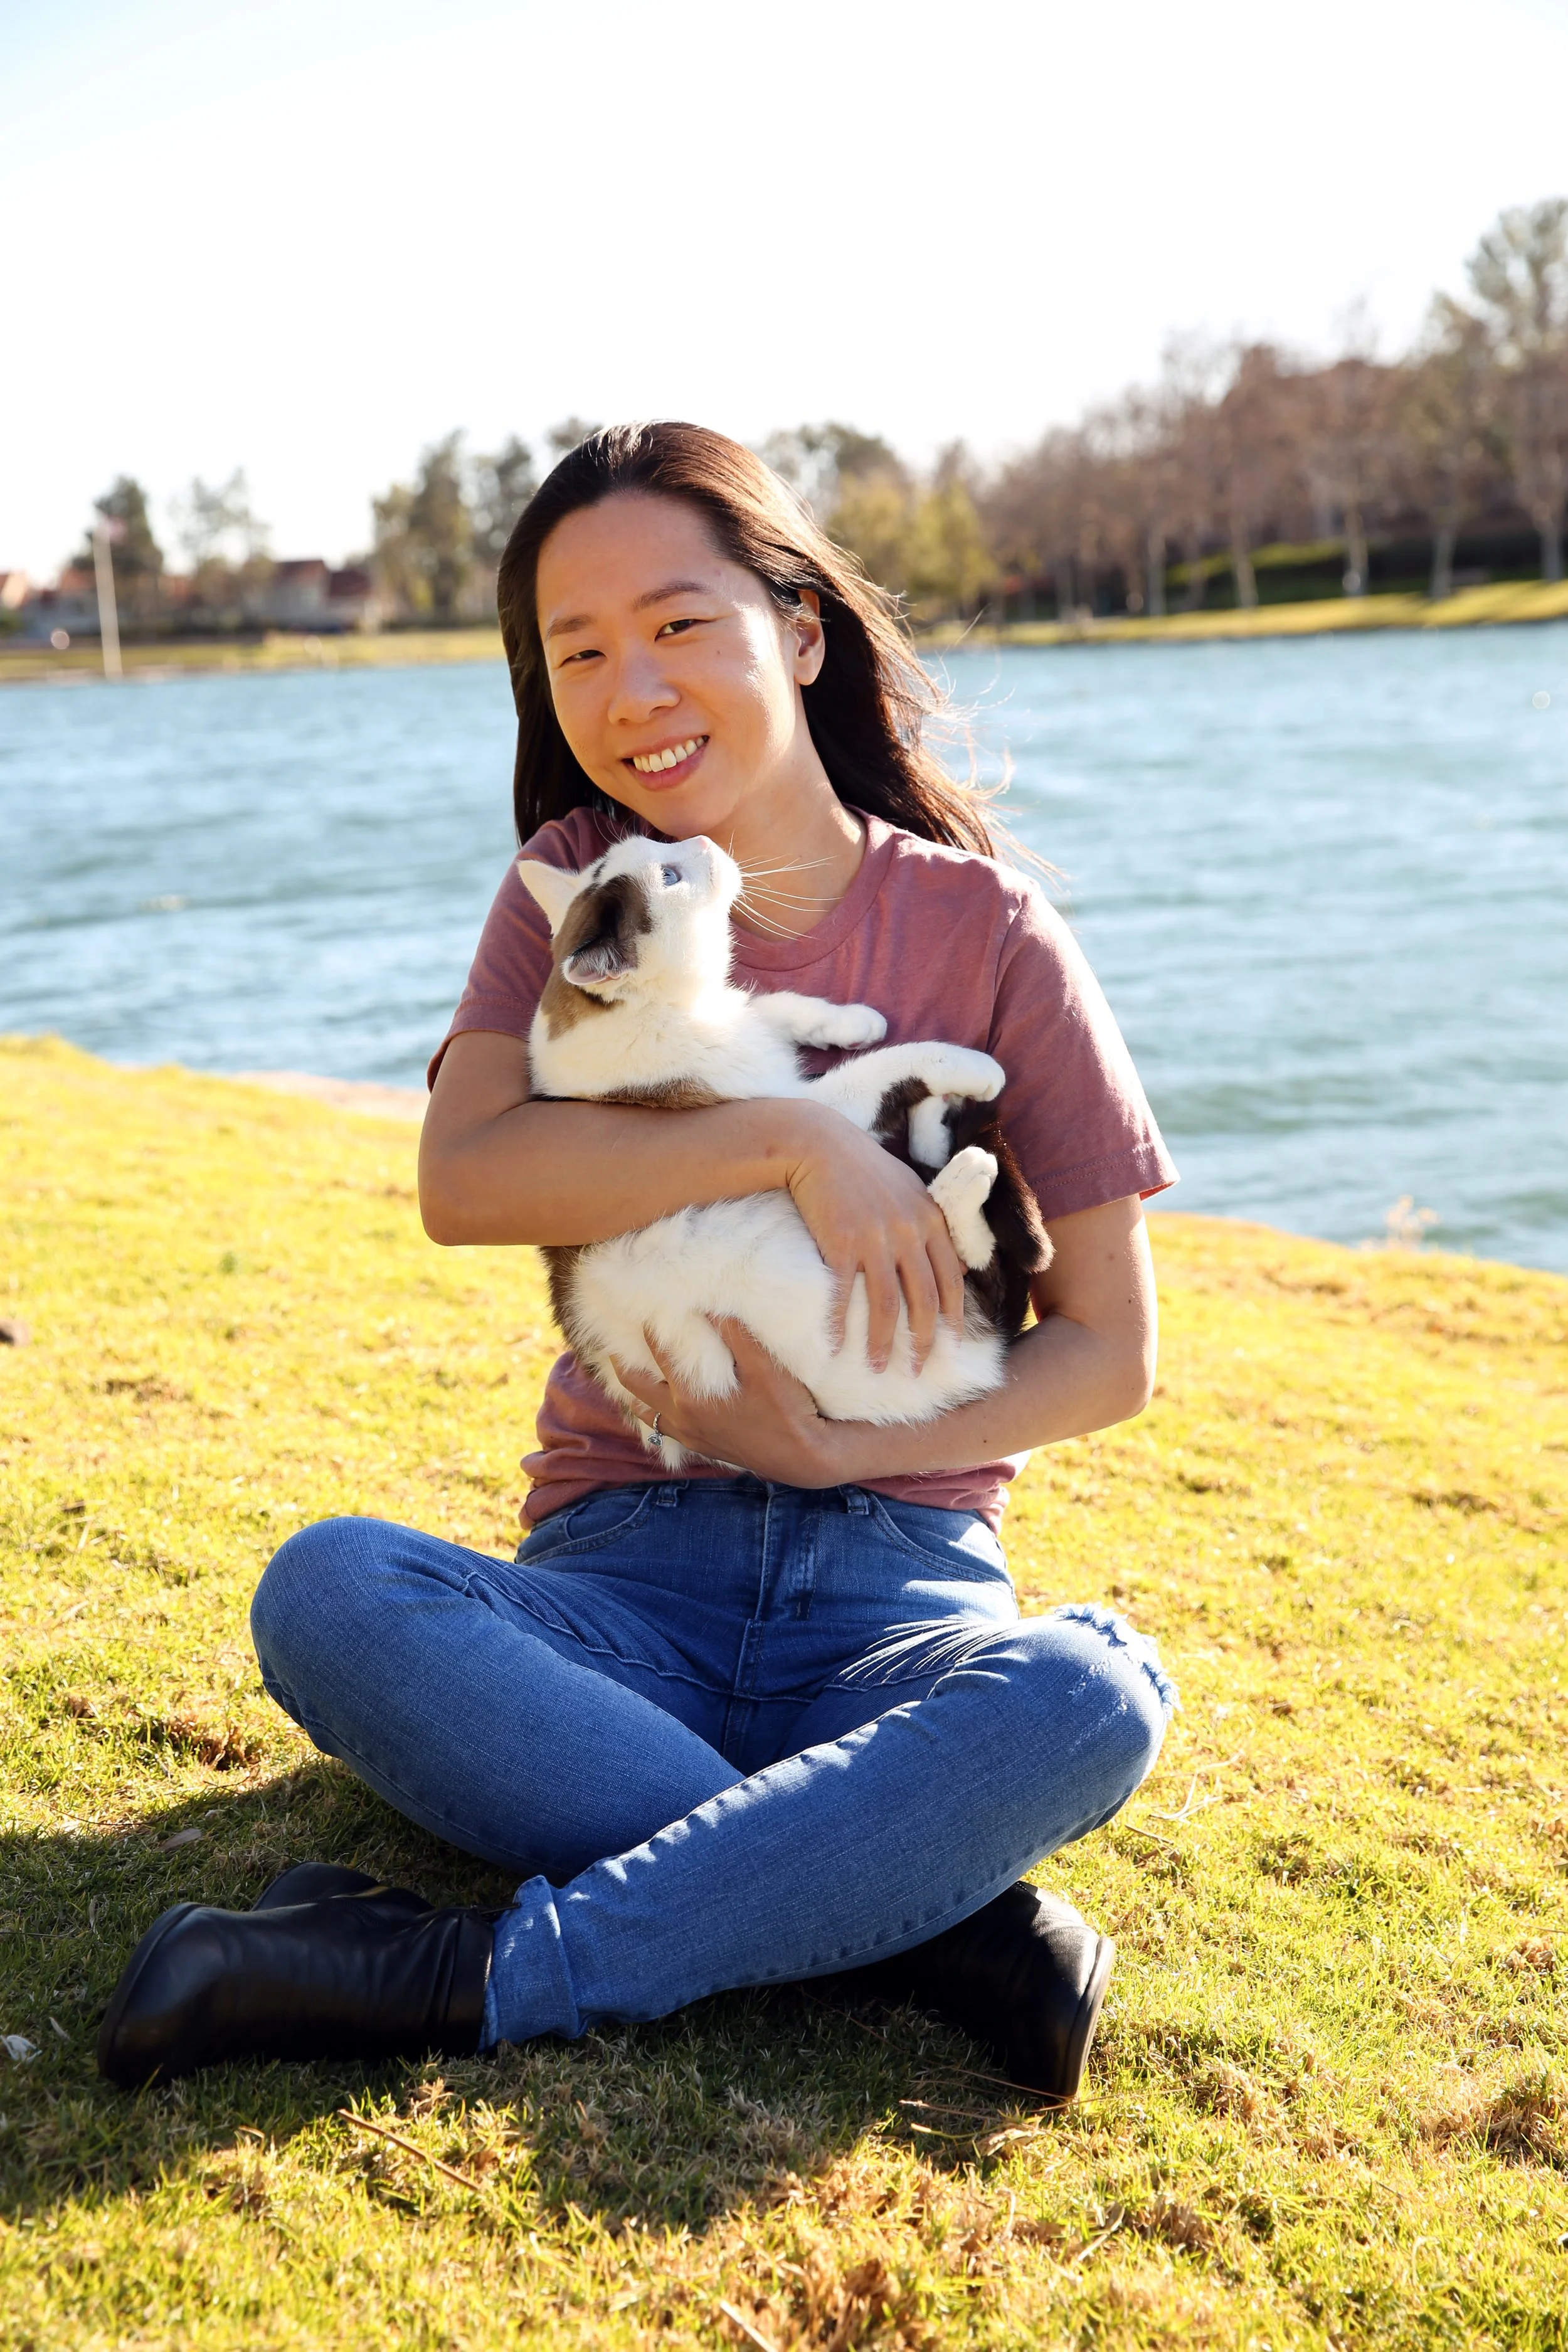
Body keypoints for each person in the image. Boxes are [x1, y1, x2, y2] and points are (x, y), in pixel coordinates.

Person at [98, 423, 1179, 2099]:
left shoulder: (992, 933)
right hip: (612, 1595)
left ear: (796, 633)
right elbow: (467, 1179)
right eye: (576, 650)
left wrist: (831, 1451)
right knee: (329, 1588)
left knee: (1093, 1688)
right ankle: (904, 1911)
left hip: (901, 1606)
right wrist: (790, 1136)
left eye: (678, 625)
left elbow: (1107, 1347)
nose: (631, 687)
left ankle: (465, 1972)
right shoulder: (566, 891)